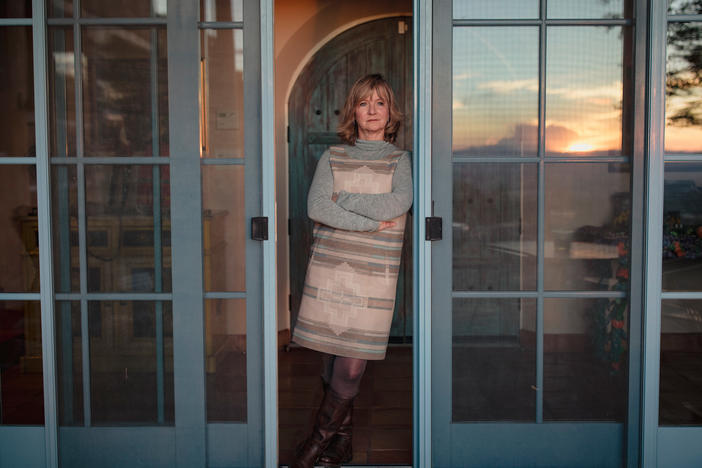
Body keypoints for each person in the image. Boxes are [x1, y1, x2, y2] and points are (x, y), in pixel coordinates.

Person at [291, 74, 413, 468]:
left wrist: (344, 198)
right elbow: (317, 209)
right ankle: (340, 444)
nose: (373, 110)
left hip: (374, 274)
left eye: (380, 103)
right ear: (354, 112)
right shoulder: (332, 156)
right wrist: (368, 222)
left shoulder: (400, 159)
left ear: (390, 112)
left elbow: (397, 204)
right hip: (331, 268)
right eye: (364, 103)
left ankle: (313, 445)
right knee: (330, 360)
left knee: (351, 363)